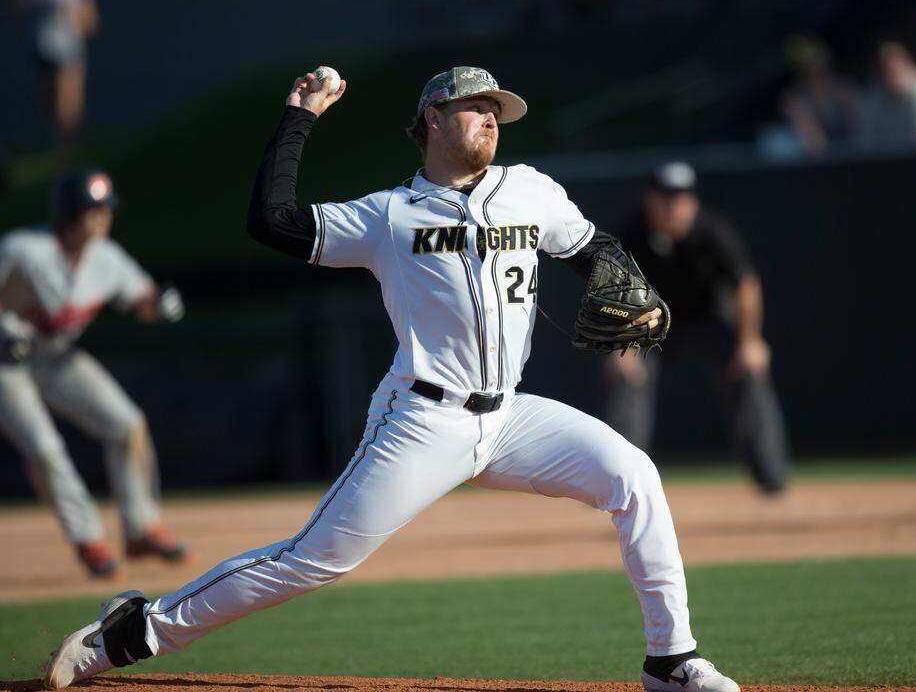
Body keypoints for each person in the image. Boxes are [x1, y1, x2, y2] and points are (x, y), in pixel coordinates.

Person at [43, 67, 741, 692]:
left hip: (511, 419)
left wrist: (634, 289)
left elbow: (593, 247)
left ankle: (670, 660)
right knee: (313, 561)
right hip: (423, 419)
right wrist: (300, 117)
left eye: (497, 108)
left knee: (635, 477)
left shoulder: (529, 190)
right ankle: (130, 633)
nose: (492, 117)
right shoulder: (388, 216)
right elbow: (273, 223)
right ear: (432, 120)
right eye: (475, 107)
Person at [0, 168, 188, 579]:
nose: (103, 217)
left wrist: (161, 305)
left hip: (54, 357)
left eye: (106, 210)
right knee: (45, 447)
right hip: (4, 367)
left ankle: (141, 528)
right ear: (69, 212)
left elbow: (142, 302)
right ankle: (88, 538)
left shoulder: (108, 258)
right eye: (93, 209)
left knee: (127, 423)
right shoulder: (22, 249)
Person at [603, 162, 788, 494]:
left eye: (682, 197)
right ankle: (622, 481)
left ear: (694, 202)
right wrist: (621, 346)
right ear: (650, 200)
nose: (674, 205)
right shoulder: (631, 235)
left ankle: (771, 478)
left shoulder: (713, 232)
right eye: (665, 197)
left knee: (748, 371)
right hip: (651, 321)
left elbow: (745, 287)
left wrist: (750, 342)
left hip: (708, 317)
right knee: (626, 376)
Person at [15, 0, 99, 154]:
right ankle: (60, 147)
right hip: (41, 50)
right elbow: (17, 9)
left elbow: (91, 23)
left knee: (67, 105)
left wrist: (71, 16)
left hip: (68, 51)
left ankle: (68, 149)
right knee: (49, 104)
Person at [779, 35, 861, 155]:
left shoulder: (845, 88)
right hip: (819, 159)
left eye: (817, 60)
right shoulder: (794, 99)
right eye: (807, 64)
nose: (815, 68)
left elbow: (862, 127)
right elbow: (814, 142)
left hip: (854, 151)